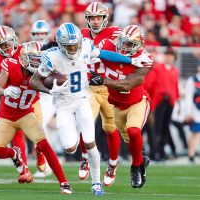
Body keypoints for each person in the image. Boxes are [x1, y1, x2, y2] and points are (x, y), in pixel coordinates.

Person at [30, 23, 151, 195]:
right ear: (60, 44)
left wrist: (131, 60)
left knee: (91, 141)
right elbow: (34, 81)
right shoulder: (52, 56)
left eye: (75, 45)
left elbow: (105, 54)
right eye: (69, 46)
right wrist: (50, 89)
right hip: (63, 104)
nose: (73, 49)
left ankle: (96, 182)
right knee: (70, 147)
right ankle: (82, 158)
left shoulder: (86, 46)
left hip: (82, 99)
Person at [0, 41, 72, 194]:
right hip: (6, 116)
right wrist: (5, 91)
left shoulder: (43, 72)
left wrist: (58, 90)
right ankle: (15, 153)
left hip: (26, 114)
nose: (36, 62)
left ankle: (64, 183)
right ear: (23, 58)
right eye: (32, 59)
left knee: (44, 144)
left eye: (38, 59)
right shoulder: (10, 65)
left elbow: (58, 82)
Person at [89, 25, 152, 188]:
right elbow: (94, 53)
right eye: (122, 42)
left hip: (137, 103)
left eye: (129, 44)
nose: (123, 47)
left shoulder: (144, 59)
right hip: (116, 105)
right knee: (130, 142)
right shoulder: (108, 45)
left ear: (138, 45)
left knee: (133, 131)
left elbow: (127, 85)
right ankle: (141, 160)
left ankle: (136, 167)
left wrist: (103, 81)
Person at [0, 25, 46, 177]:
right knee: (17, 135)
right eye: (3, 45)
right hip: (11, 101)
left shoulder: (24, 50)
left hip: (31, 99)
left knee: (39, 134)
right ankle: (24, 170)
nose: (8, 47)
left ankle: (39, 152)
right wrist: (2, 90)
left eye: (10, 43)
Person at [78, 2, 122, 185]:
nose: (95, 22)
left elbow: (127, 51)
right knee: (85, 121)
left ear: (105, 18)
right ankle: (85, 157)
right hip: (88, 86)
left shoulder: (115, 33)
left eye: (98, 18)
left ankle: (112, 163)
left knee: (110, 128)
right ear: (87, 19)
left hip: (109, 86)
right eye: (92, 18)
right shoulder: (81, 34)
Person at [30, 20, 54, 178]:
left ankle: (46, 165)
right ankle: (45, 164)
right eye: (37, 34)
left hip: (50, 95)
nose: (39, 37)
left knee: (39, 129)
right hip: (36, 94)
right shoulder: (28, 49)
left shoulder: (53, 49)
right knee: (38, 130)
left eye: (42, 34)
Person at [185, 61, 200, 163]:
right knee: (195, 132)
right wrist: (188, 112)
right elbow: (189, 97)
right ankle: (191, 155)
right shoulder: (192, 80)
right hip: (196, 110)